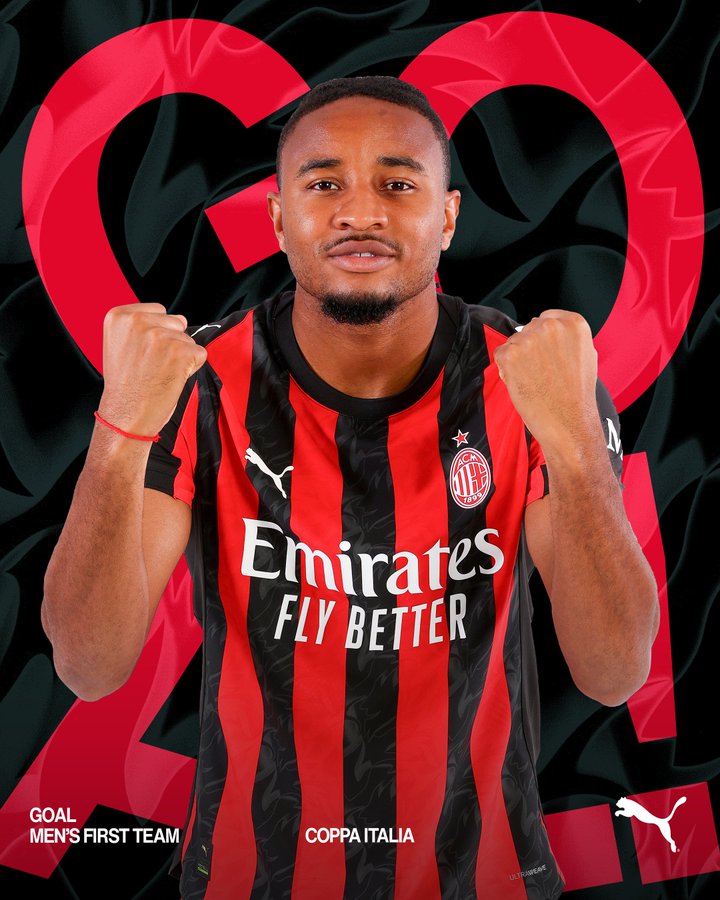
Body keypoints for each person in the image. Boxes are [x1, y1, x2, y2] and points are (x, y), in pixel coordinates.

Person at [41, 76, 659, 900]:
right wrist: (117, 425)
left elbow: (614, 671)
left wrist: (577, 442)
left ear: (447, 217)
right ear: (277, 218)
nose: (359, 212)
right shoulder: (197, 381)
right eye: (324, 183)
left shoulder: (534, 378)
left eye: (397, 185)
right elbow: (88, 665)